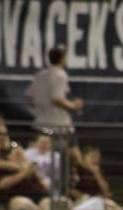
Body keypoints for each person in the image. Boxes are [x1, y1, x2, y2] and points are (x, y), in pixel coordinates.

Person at [25, 44, 85, 193]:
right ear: (62, 59)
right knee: (72, 159)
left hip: (41, 126)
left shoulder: (39, 75)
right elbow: (56, 98)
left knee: (46, 158)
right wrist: (73, 106)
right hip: (59, 127)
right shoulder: (60, 74)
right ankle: (68, 191)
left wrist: (42, 109)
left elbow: (30, 98)